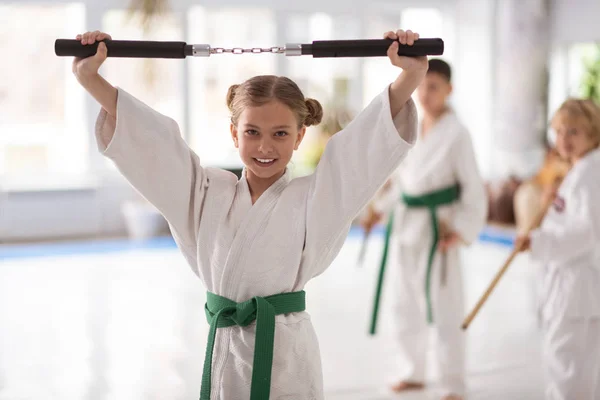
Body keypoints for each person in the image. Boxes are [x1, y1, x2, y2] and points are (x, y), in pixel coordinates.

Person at [72, 29, 427, 399]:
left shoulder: (315, 198)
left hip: (287, 357)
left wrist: (410, 76)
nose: (264, 147)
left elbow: (357, 155)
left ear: (300, 136)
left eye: (280, 134)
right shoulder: (205, 192)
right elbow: (156, 147)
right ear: (233, 133)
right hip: (226, 351)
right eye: (252, 132)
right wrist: (89, 77)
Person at [362, 59, 487, 400]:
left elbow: (473, 189)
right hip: (407, 226)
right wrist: (378, 211)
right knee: (405, 304)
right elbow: (403, 182)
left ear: (449, 89)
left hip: (440, 228)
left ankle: (452, 382)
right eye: (422, 86)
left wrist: (460, 230)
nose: (426, 93)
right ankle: (411, 370)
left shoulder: (458, 134)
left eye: (434, 87)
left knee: (445, 307)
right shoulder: (412, 126)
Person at [515, 98, 600, 400]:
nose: (564, 139)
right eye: (559, 131)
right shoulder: (577, 171)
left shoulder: (590, 175)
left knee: (569, 367)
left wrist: (537, 242)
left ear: (593, 132)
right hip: (568, 286)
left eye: (573, 132)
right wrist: (548, 204)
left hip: (576, 288)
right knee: (566, 363)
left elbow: (586, 233)